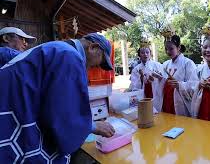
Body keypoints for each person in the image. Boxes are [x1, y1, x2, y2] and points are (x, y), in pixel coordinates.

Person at [0, 33, 116, 163]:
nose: (89, 70)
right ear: (93, 47)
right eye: (94, 66)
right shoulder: (69, 55)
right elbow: (62, 119)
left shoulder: (55, 49)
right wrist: (92, 126)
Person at [157, 28, 198, 116]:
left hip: (180, 102)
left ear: (178, 47)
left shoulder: (188, 63)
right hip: (167, 101)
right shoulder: (165, 64)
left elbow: (194, 85)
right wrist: (158, 79)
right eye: (166, 49)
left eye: (171, 49)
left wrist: (179, 85)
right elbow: (161, 84)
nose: (168, 52)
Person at [128, 39, 164, 111]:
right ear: (139, 55)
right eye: (142, 52)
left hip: (156, 94)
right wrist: (141, 78)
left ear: (150, 53)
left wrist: (158, 78)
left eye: (147, 52)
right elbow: (134, 86)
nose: (145, 54)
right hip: (143, 95)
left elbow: (163, 80)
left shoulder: (158, 65)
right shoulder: (136, 69)